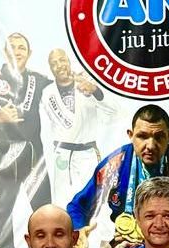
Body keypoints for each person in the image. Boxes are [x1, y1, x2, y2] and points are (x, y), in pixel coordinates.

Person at [67, 104, 169, 248]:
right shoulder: (115, 165)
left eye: (159, 137)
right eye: (142, 136)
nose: (150, 146)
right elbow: (78, 207)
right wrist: (78, 230)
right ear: (131, 135)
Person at [0, 32, 52, 248]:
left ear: (29, 53)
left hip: (34, 154)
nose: (17, 51)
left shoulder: (39, 80)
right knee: (4, 209)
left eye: (21, 47)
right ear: (4, 51)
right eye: (12, 47)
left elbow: (60, 90)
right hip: (6, 154)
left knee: (44, 208)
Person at [39, 49, 117, 214]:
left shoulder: (86, 83)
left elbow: (113, 111)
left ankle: (92, 231)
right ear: (50, 68)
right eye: (54, 63)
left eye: (62, 60)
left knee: (93, 202)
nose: (59, 65)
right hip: (62, 154)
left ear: (68, 61)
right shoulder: (47, 93)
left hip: (87, 153)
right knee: (61, 203)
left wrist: (95, 90)